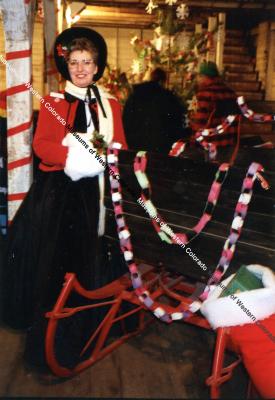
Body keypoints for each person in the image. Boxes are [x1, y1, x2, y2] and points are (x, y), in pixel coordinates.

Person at [2, 27, 128, 370]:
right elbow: (42, 146)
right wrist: (76, 158)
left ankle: (85, 330)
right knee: (59, 264)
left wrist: (105, 159)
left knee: (94, 259)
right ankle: (54, 338)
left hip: (96, 194)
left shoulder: (111, 104)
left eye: (88, 62)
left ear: (97, 65)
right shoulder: (55, 101)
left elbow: (122, 148)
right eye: (75, 62)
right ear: (66, 66)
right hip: (61, 197)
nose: (82, 69)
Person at [122, 67, 188, 153]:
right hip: (161, 149)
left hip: (136, 147)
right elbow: (177, 124)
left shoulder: (135, 96)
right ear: (162, 81)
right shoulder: (169, 98)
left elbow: (126, 121)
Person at [189, 61, 240, 147]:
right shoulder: (231, 94)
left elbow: (200, 122)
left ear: (204, 77)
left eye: (199, 76)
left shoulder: (205, 94)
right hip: (230, 145)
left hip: (211, 145)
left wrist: (192, 142)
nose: (198, 79)